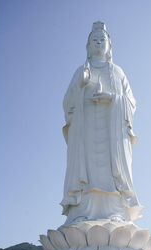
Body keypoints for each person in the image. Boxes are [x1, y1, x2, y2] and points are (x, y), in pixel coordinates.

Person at [61, 21, 142, 225]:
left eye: (102, 39)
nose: (99, 43)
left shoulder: (117, 72)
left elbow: (131, 101)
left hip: (112, 132)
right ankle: (81, 212)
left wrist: (112, 98)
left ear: (109, 45)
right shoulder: (81, 71)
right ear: (88, 46)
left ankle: (116, 211)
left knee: (112, 171)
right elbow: (67, 101)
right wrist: (80, 85)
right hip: (85, 129)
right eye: (94, 40)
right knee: (85, 171)